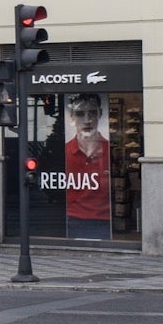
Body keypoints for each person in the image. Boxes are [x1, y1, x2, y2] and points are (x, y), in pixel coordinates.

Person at [63, 93, 112, 240]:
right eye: (80, 114)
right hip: (72, 219)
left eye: (92, 113)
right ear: (72, 116)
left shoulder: (111, 150)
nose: (87, 120)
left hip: (105, 220)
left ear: (100, 114)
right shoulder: (64, 151)